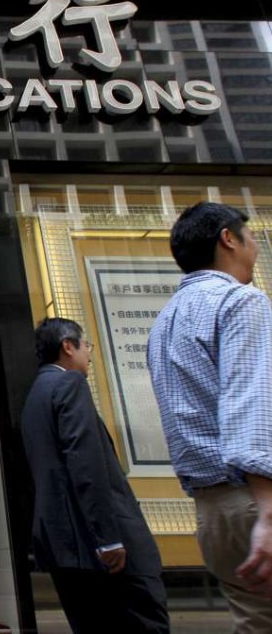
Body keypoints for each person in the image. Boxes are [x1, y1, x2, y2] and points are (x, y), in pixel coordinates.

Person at [148, 201, 272, 632]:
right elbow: (251, 405)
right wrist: (268, 514)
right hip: (257, 499)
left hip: (212, 512)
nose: (255, 246)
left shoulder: (164, 322)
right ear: (228, 239)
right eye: (250, 236)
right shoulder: (241, 301)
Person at [23, 318, 168, 634]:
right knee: (143, 623)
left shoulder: (35, 394)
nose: (89, 353)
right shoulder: (69, 384)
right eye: (86, 344)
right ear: (68, 346)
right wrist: (108, 538)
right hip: (98, 547)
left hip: (62, 544)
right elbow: (85, 463)